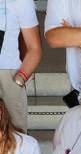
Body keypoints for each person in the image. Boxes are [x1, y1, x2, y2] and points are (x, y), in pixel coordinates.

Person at [0, 0, 43, 132]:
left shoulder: (21, 2)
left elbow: (34, 48)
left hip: (7, 75)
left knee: (15, 137)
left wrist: (19, 80)